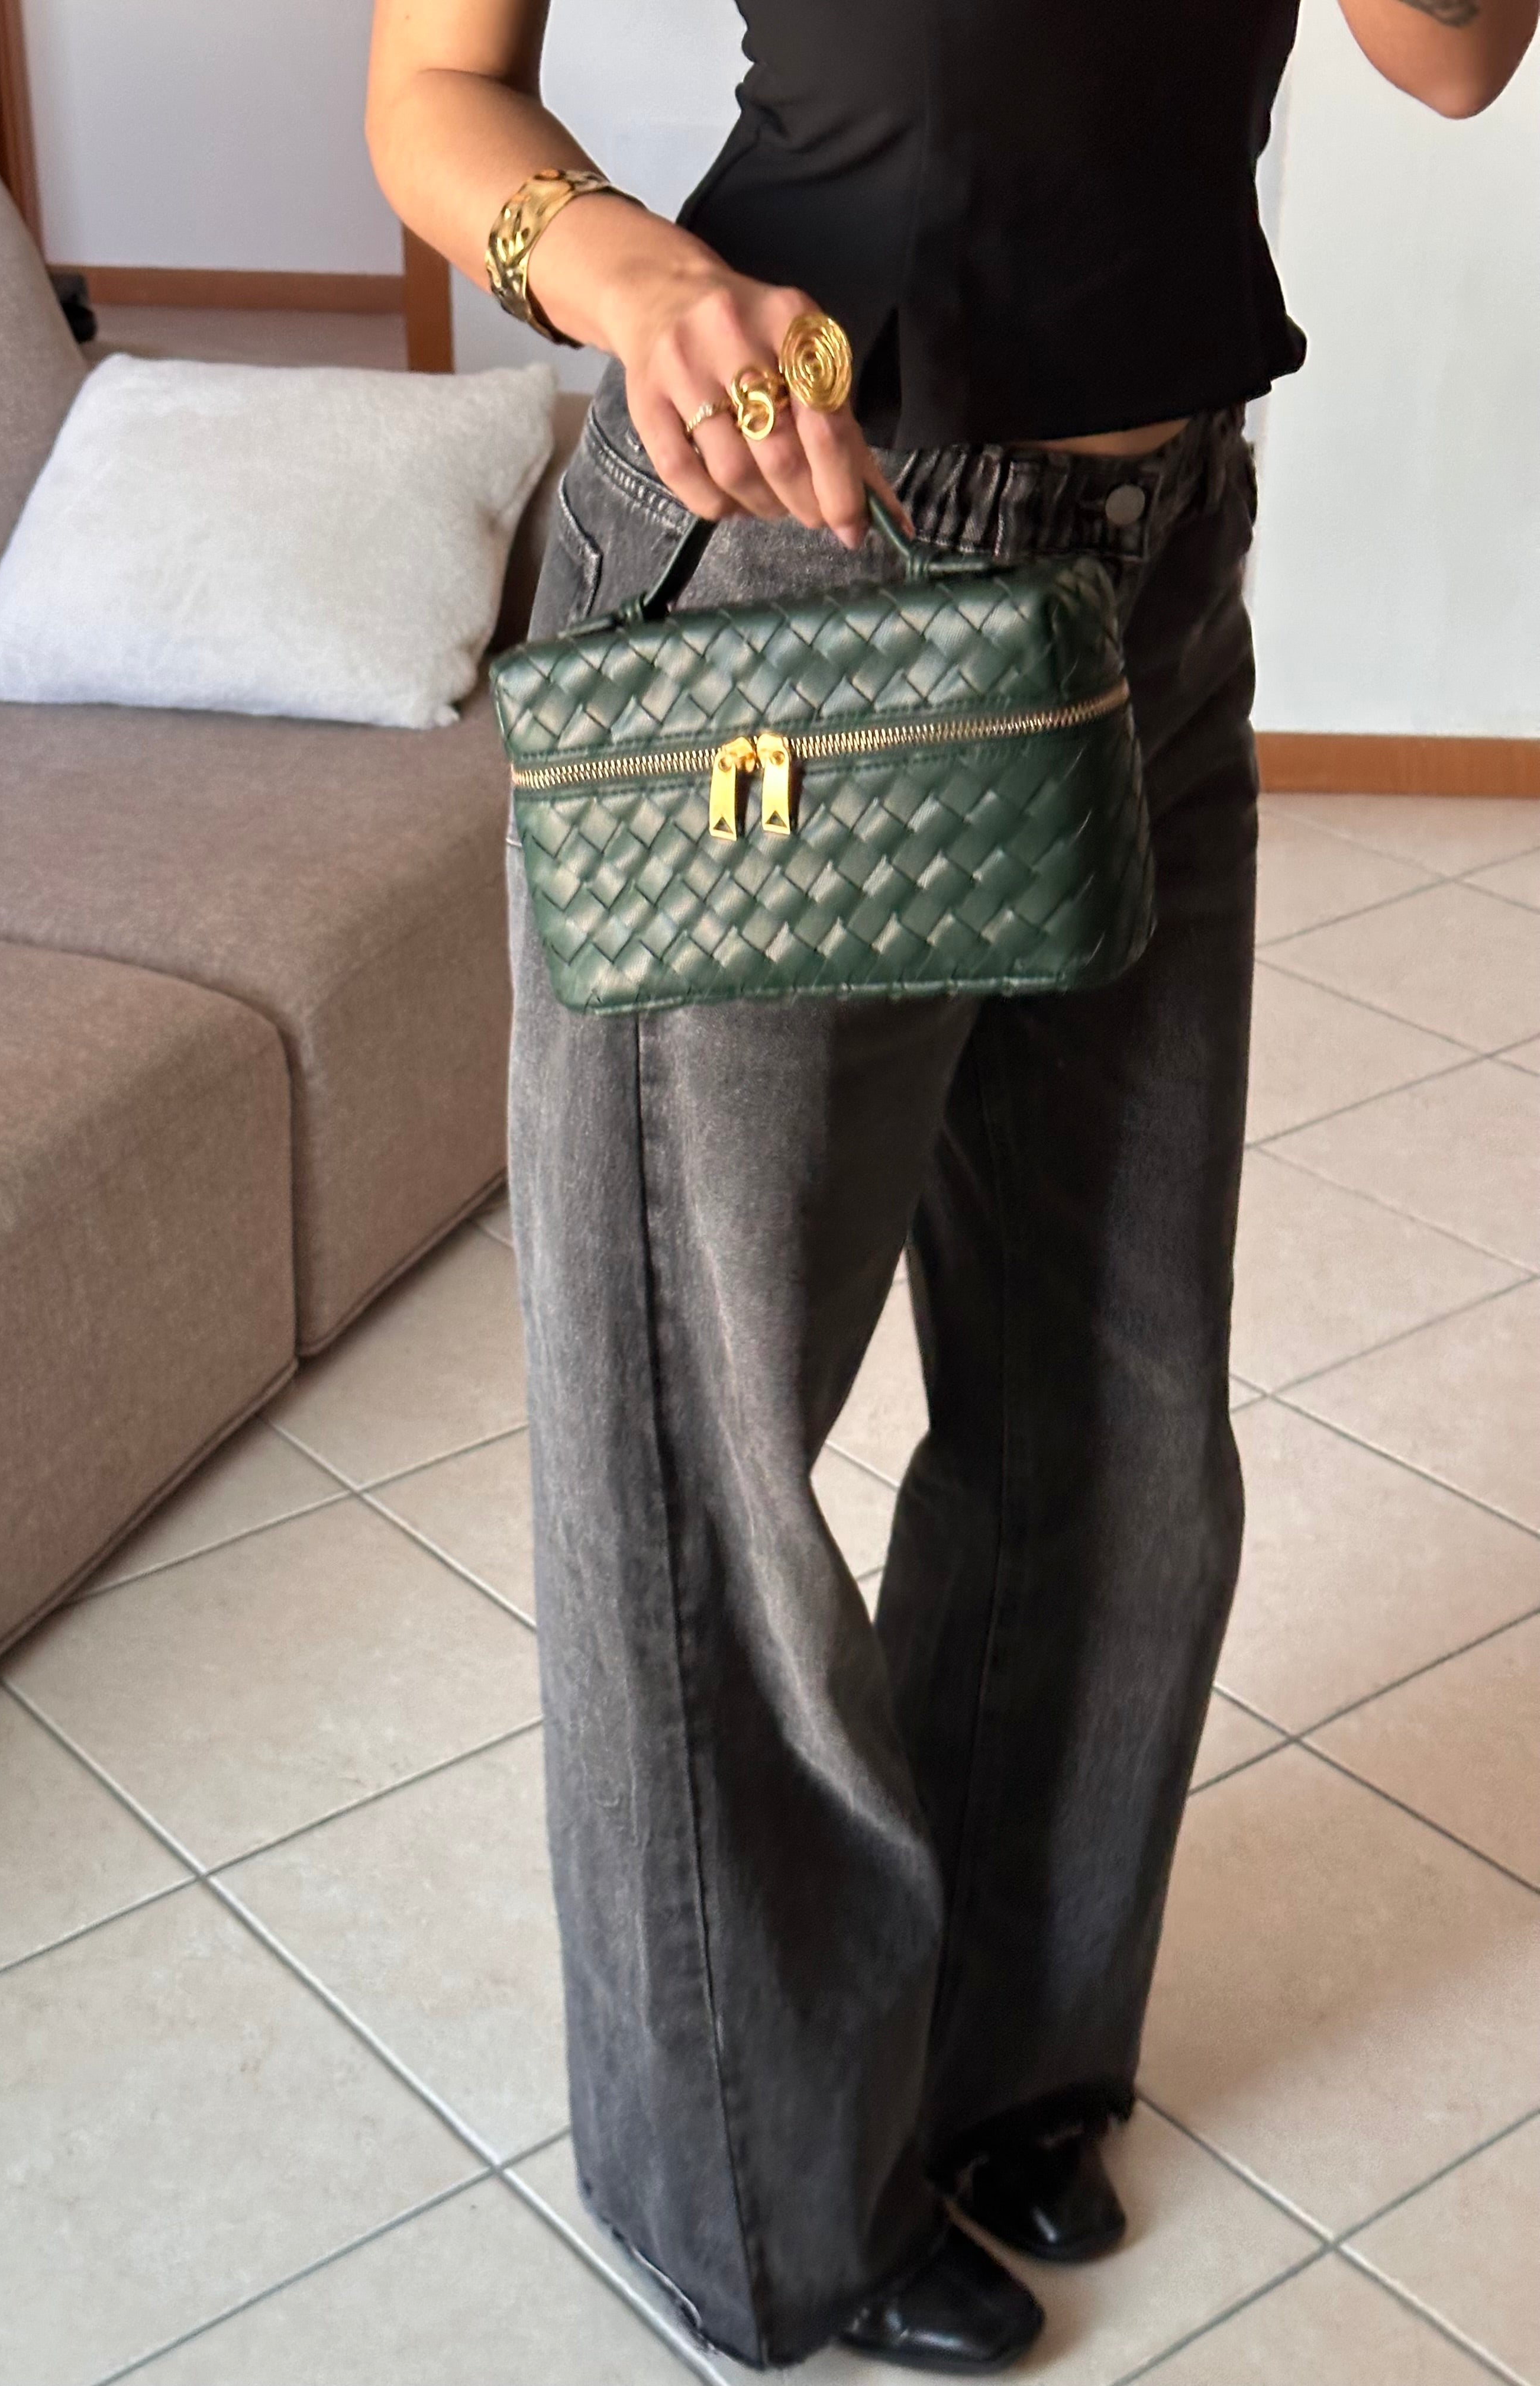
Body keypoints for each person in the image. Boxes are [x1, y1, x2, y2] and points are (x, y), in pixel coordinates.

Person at [367, 1, 1537, 2370]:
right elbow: (431, 98)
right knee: (707, 1449)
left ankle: (1008, 2053)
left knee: (1115, 1411)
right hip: (793, 569)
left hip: (1152, 574)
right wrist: (627, 271)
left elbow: (1454, 54)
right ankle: (751, 2189)